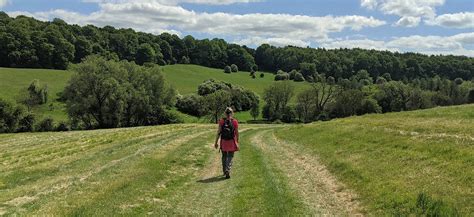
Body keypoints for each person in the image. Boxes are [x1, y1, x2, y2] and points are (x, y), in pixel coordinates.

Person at [214, 107, 239, 179]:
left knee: (224, 156)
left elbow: (218, 132)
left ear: (225, 113)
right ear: (232, 113)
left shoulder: (221, 121)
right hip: (231, 141)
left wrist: (216, 142)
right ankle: (228, 169)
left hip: (223, 142)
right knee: (230, 156)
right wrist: (237, 142)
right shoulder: (234, 121)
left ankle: (224, 171)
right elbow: (237, 133)